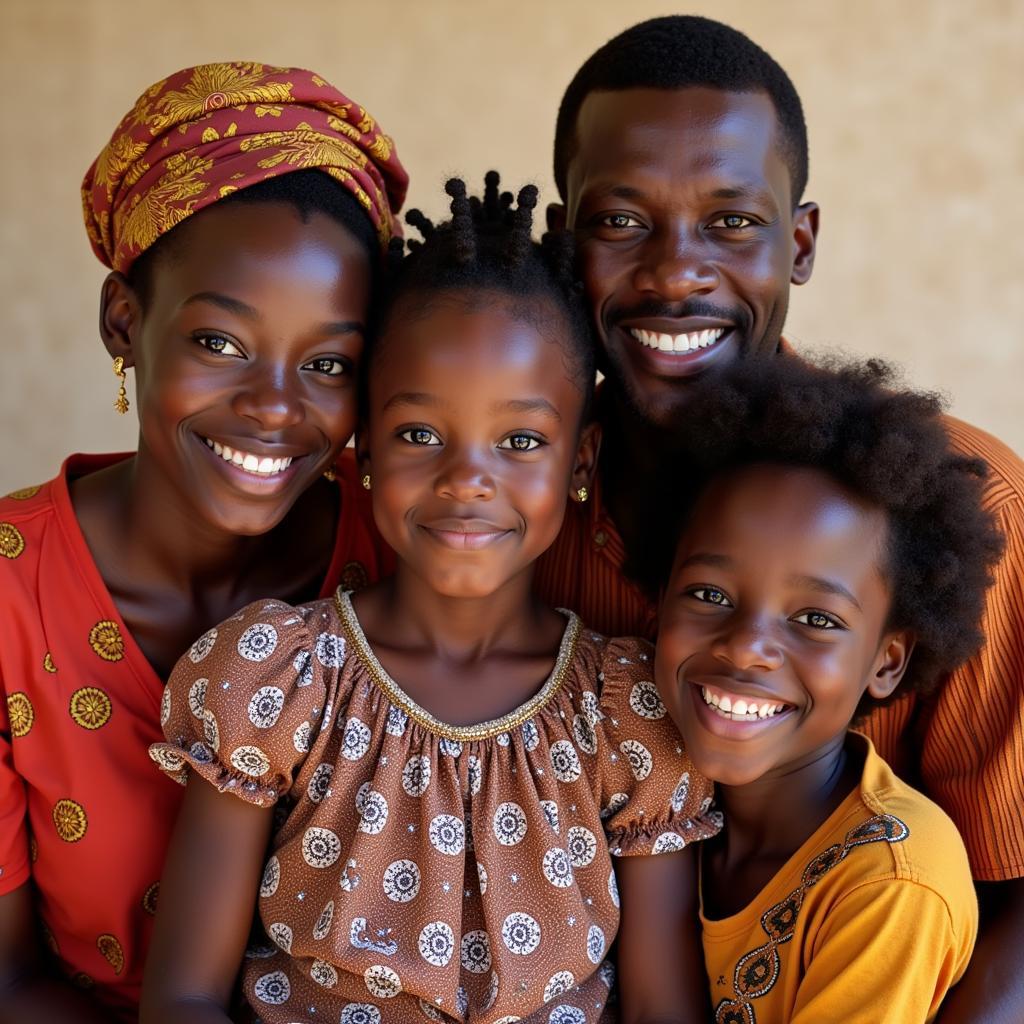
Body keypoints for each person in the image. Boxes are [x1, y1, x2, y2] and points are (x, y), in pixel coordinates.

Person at [140, 174, 720, 1024]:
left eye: (520, 440)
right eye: (420, 434)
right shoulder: (276, 680)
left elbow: (664, 1012)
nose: (466, 482)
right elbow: (185, 996)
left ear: (582, 464)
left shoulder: (625, 714)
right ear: (364, 445)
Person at [534, 17, 1024, 1017]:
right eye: (620, 222)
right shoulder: (494, 500)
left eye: (730, 223)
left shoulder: (966, 505)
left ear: (797, 243)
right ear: (562, 243)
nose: (675, 273)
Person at [0, 62, 407, 1023]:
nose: (274, 409)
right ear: (123, 322)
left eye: (329, 363)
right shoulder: (11, 601)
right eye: (220, 342)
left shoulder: (408, 550)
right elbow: (7, 981)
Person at [647, 355, 1002, 1022]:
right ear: (659, 599)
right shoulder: (645, 791)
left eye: (815, 619)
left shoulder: (893, 882)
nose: (747, 646)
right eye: (709, 594)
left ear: (888, 661)